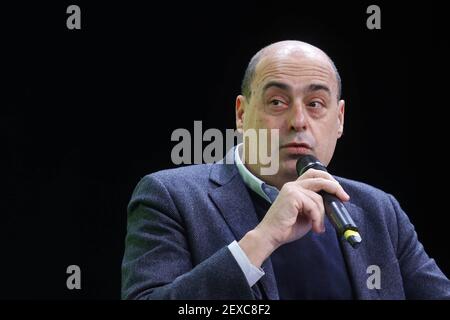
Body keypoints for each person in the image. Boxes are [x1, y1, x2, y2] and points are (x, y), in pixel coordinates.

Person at [121, 40, 450, 299]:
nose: (298, 121)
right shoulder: (170, 197)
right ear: (241, 113)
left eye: (315, 104)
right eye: (277, 102)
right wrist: (262, 239)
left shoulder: (380, 211)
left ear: (340, 120)